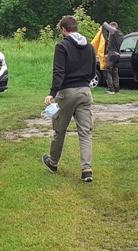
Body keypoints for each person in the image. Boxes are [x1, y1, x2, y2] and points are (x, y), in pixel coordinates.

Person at [42, 15, 97, 183]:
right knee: (85, 133)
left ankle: (53, 163)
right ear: (76, 28)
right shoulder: (90, 47)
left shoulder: (62, 46)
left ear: (64, 29)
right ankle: (86, 169)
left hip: (66, 93)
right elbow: (93, 71)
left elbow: (59, 72)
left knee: (60, 130)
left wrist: (52, 93)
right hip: (85, 92)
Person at [101, 21, 124, 94]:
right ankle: (117, 89)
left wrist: (104, 24)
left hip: (112, 54)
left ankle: (110, 89)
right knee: (115, 72)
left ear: (113, 26)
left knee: (108, 71)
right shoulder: (121, 34)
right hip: (118, 55)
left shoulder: (115, 32)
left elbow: (108, 27)